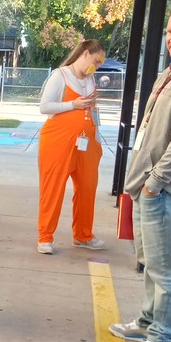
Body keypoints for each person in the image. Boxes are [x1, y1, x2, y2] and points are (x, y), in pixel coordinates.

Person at [109, 7, 171, 342]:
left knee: (165, 266)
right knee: (150, 260)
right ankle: (150, 320)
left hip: (165, 187)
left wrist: (155, 182)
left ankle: (164, 336)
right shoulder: (170, 72)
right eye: (169, 32)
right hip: (150, 184)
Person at [36, 39, 106, 254]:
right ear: (85, 54)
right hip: (57, 143)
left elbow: (93, 110)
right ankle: (45, 237)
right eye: (96, 60)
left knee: (87, 188)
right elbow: (44, 107)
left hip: (86, 145)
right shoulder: (60, 76)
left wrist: (97, 138)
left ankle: (83, 234)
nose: (97, 66)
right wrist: (73, 105)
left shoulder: (91, 78)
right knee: (53, 189)